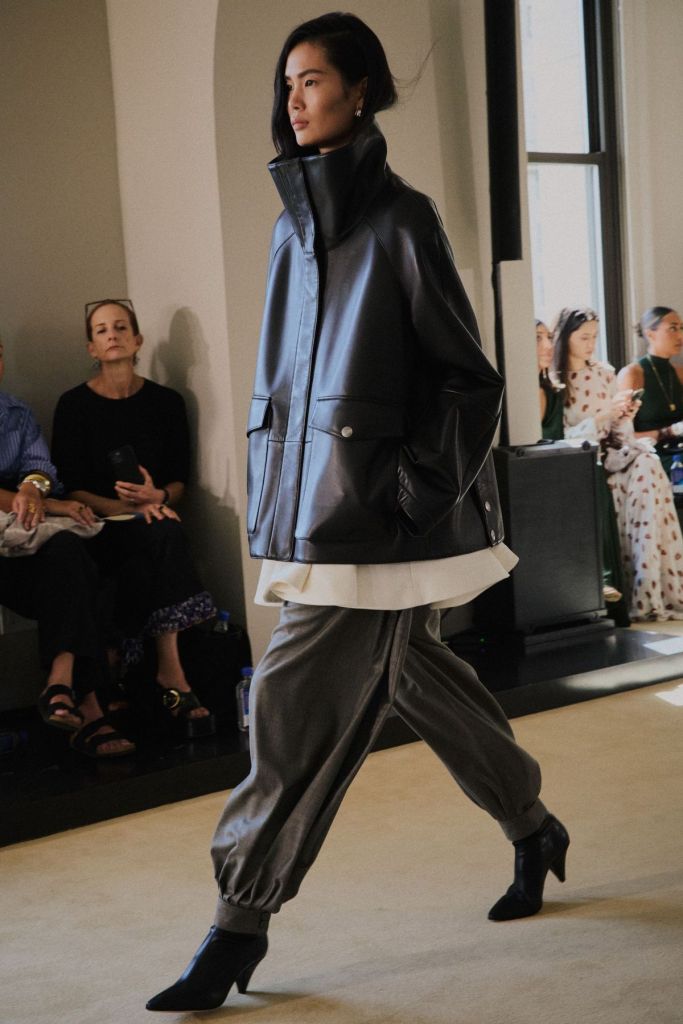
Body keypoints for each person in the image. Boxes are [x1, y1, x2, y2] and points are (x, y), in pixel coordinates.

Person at [146, 14, 569, 1012]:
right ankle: (531, 825)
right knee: (419, 679)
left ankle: (236, 925)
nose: (293, 99)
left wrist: (408, 494)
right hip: (318, 512)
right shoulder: (288, 229)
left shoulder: (401, 220)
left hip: (378, 521)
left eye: (312, 80)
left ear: (360, 90)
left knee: (287, 702)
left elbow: (469, 380)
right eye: (286, 82)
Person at [51, 299, 216, 737]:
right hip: (95, 524)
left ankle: (164, 668)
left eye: (121, 327)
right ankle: (168, 676)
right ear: (91, 347)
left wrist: (156, 496)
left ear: (138, 339)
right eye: (102, 330)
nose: (113, 335)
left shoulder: (166, 403)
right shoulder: (74, 405)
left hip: (151, 517)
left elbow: (180, 481)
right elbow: (69, 485)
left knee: (164, 534)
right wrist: (126, 507)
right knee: (158, 537)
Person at [0, 337, 134, 757]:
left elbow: (41, 469)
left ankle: (60, 681)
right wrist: (38, 500)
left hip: (22, 537)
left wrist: (33, 488)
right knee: (78, 576)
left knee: (69, 553)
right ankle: (90, 709)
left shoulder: (16, 413)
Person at [552, 306, 683, 620]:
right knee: (646, 471)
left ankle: (656, 588)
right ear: (566, 338)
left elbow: (621, 433)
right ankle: (641, 587)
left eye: (594, 337)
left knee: (647, 464)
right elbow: (563, 436)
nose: (590, 344)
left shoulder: (604, 373)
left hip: (615, 453)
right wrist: (604, 417)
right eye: (584, 337)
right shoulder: (558, 383)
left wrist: (623, 416)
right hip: (586, 462)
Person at [536, 319, 627, 620]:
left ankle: (601, 584)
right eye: (538, 338)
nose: (547, 345)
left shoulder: (553, 388)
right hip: (544, 470)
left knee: (595, 471)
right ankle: (592, 584)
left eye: (548, 337)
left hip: (567, 462)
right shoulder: (538, 389)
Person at [616, 306, 683, 477]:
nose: (680, 336)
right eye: (672, 328)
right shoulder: (633, 374)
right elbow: (620, 438)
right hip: (650, 457)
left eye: (681, 328)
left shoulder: (679, 373)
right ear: (650, 334)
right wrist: (664, 433)